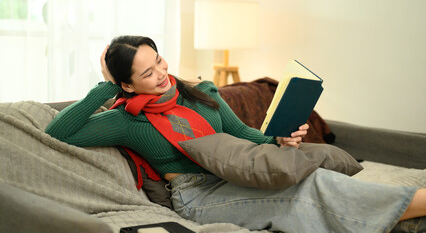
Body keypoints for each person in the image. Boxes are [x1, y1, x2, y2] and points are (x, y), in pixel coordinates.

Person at [45, 35, 426, 233]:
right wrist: (106, 85)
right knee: (305, 193)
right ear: (126, 85)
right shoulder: (127, 120)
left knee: (315, 177)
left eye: (158, 60)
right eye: (146, 74)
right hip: (199, 195)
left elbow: (244, 135)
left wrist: (280, 140)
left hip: (242, 170)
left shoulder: (202, 93)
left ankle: (405, 211)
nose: (161, 74)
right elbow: (60, 132)